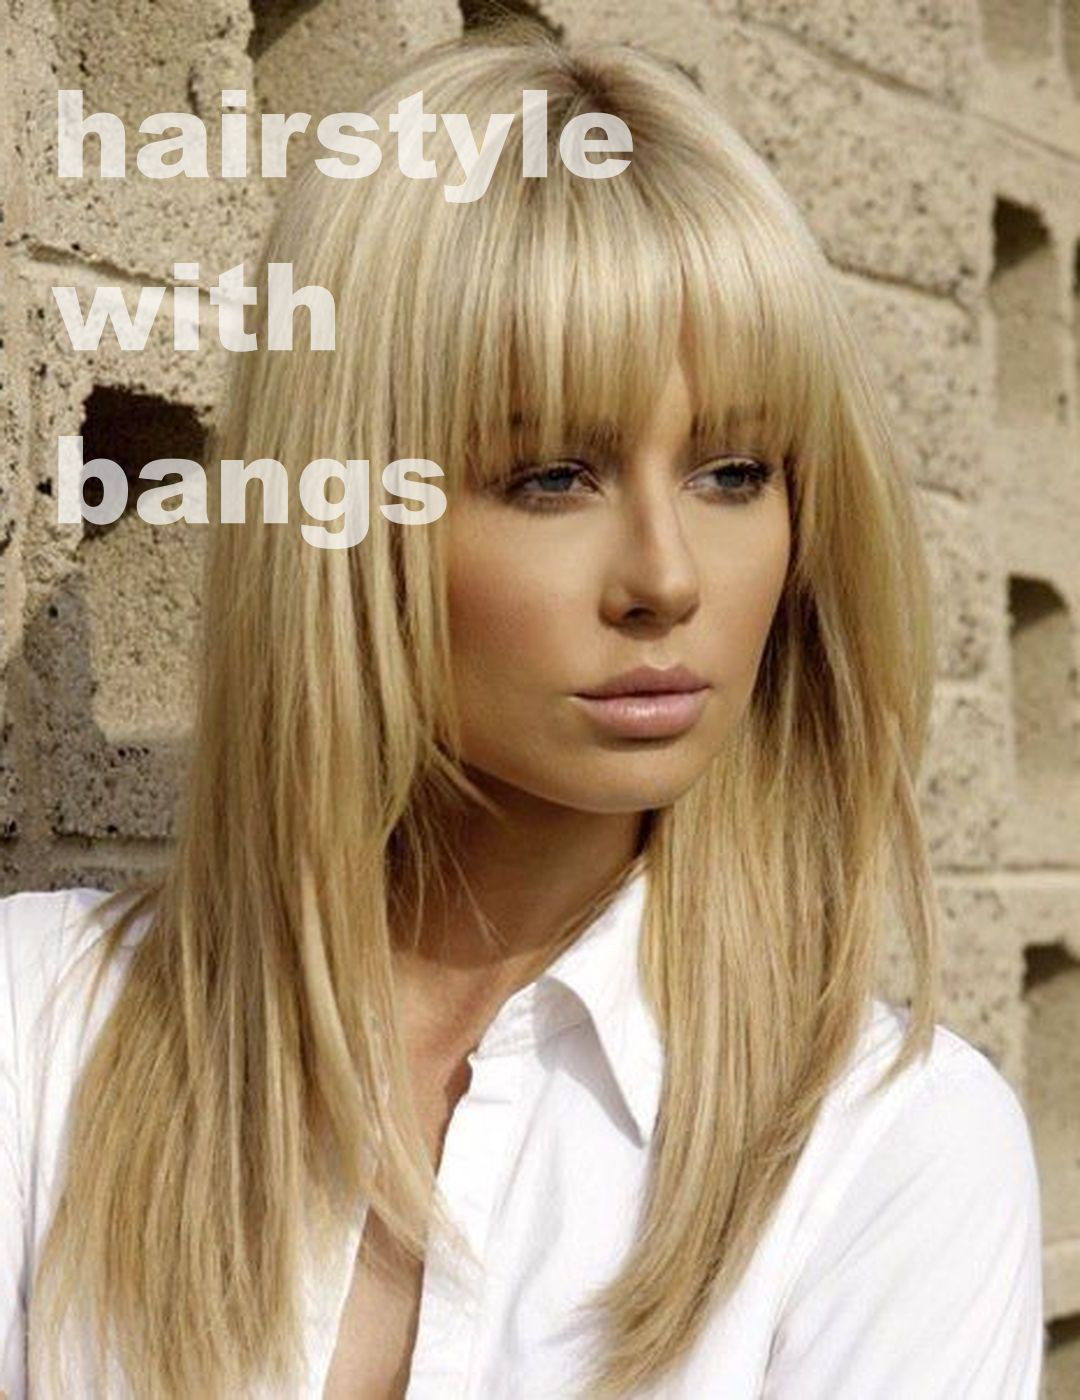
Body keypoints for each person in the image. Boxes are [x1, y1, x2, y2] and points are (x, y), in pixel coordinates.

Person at [0, 21, 1044, 1400]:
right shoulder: (38, 1033)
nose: (668, 578)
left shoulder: (891, 1155)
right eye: (552, 476)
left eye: (735, 472)